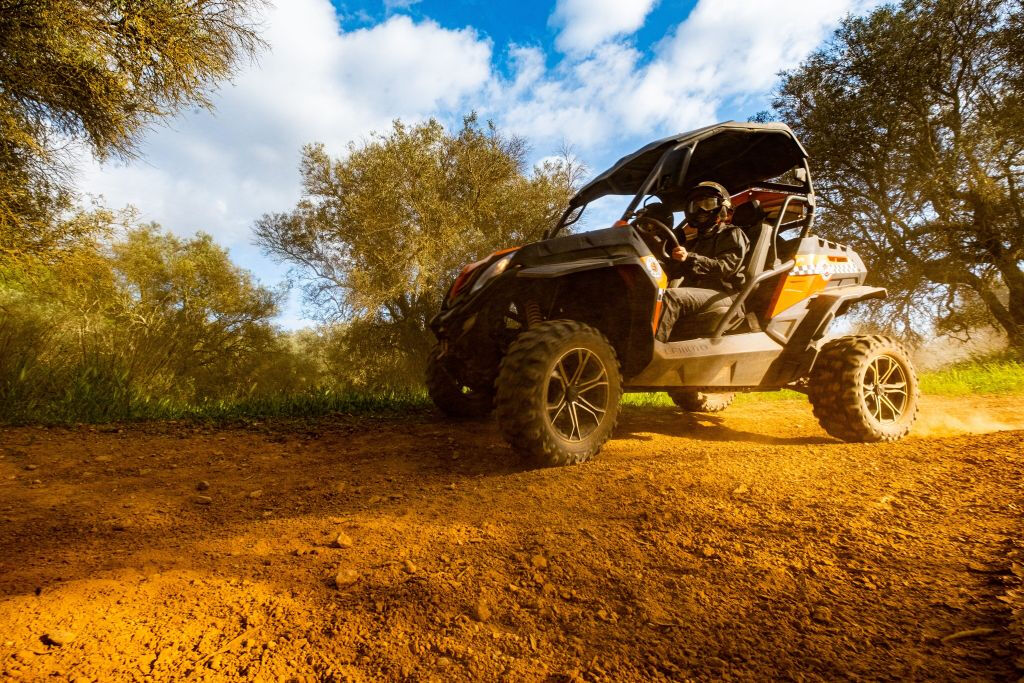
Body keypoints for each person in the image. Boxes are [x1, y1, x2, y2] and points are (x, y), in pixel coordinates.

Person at [654, 181, 749, 342]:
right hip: (700, 293)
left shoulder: (731, 233)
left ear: (722, 207)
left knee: (671, 297)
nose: (700, 210)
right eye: (695, 205)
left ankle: (648, 358)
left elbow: (726, 268)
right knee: (652, 294)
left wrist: (689, 257)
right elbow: (679, 271)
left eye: (707, 203)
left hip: (726, 295)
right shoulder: (695, 241)